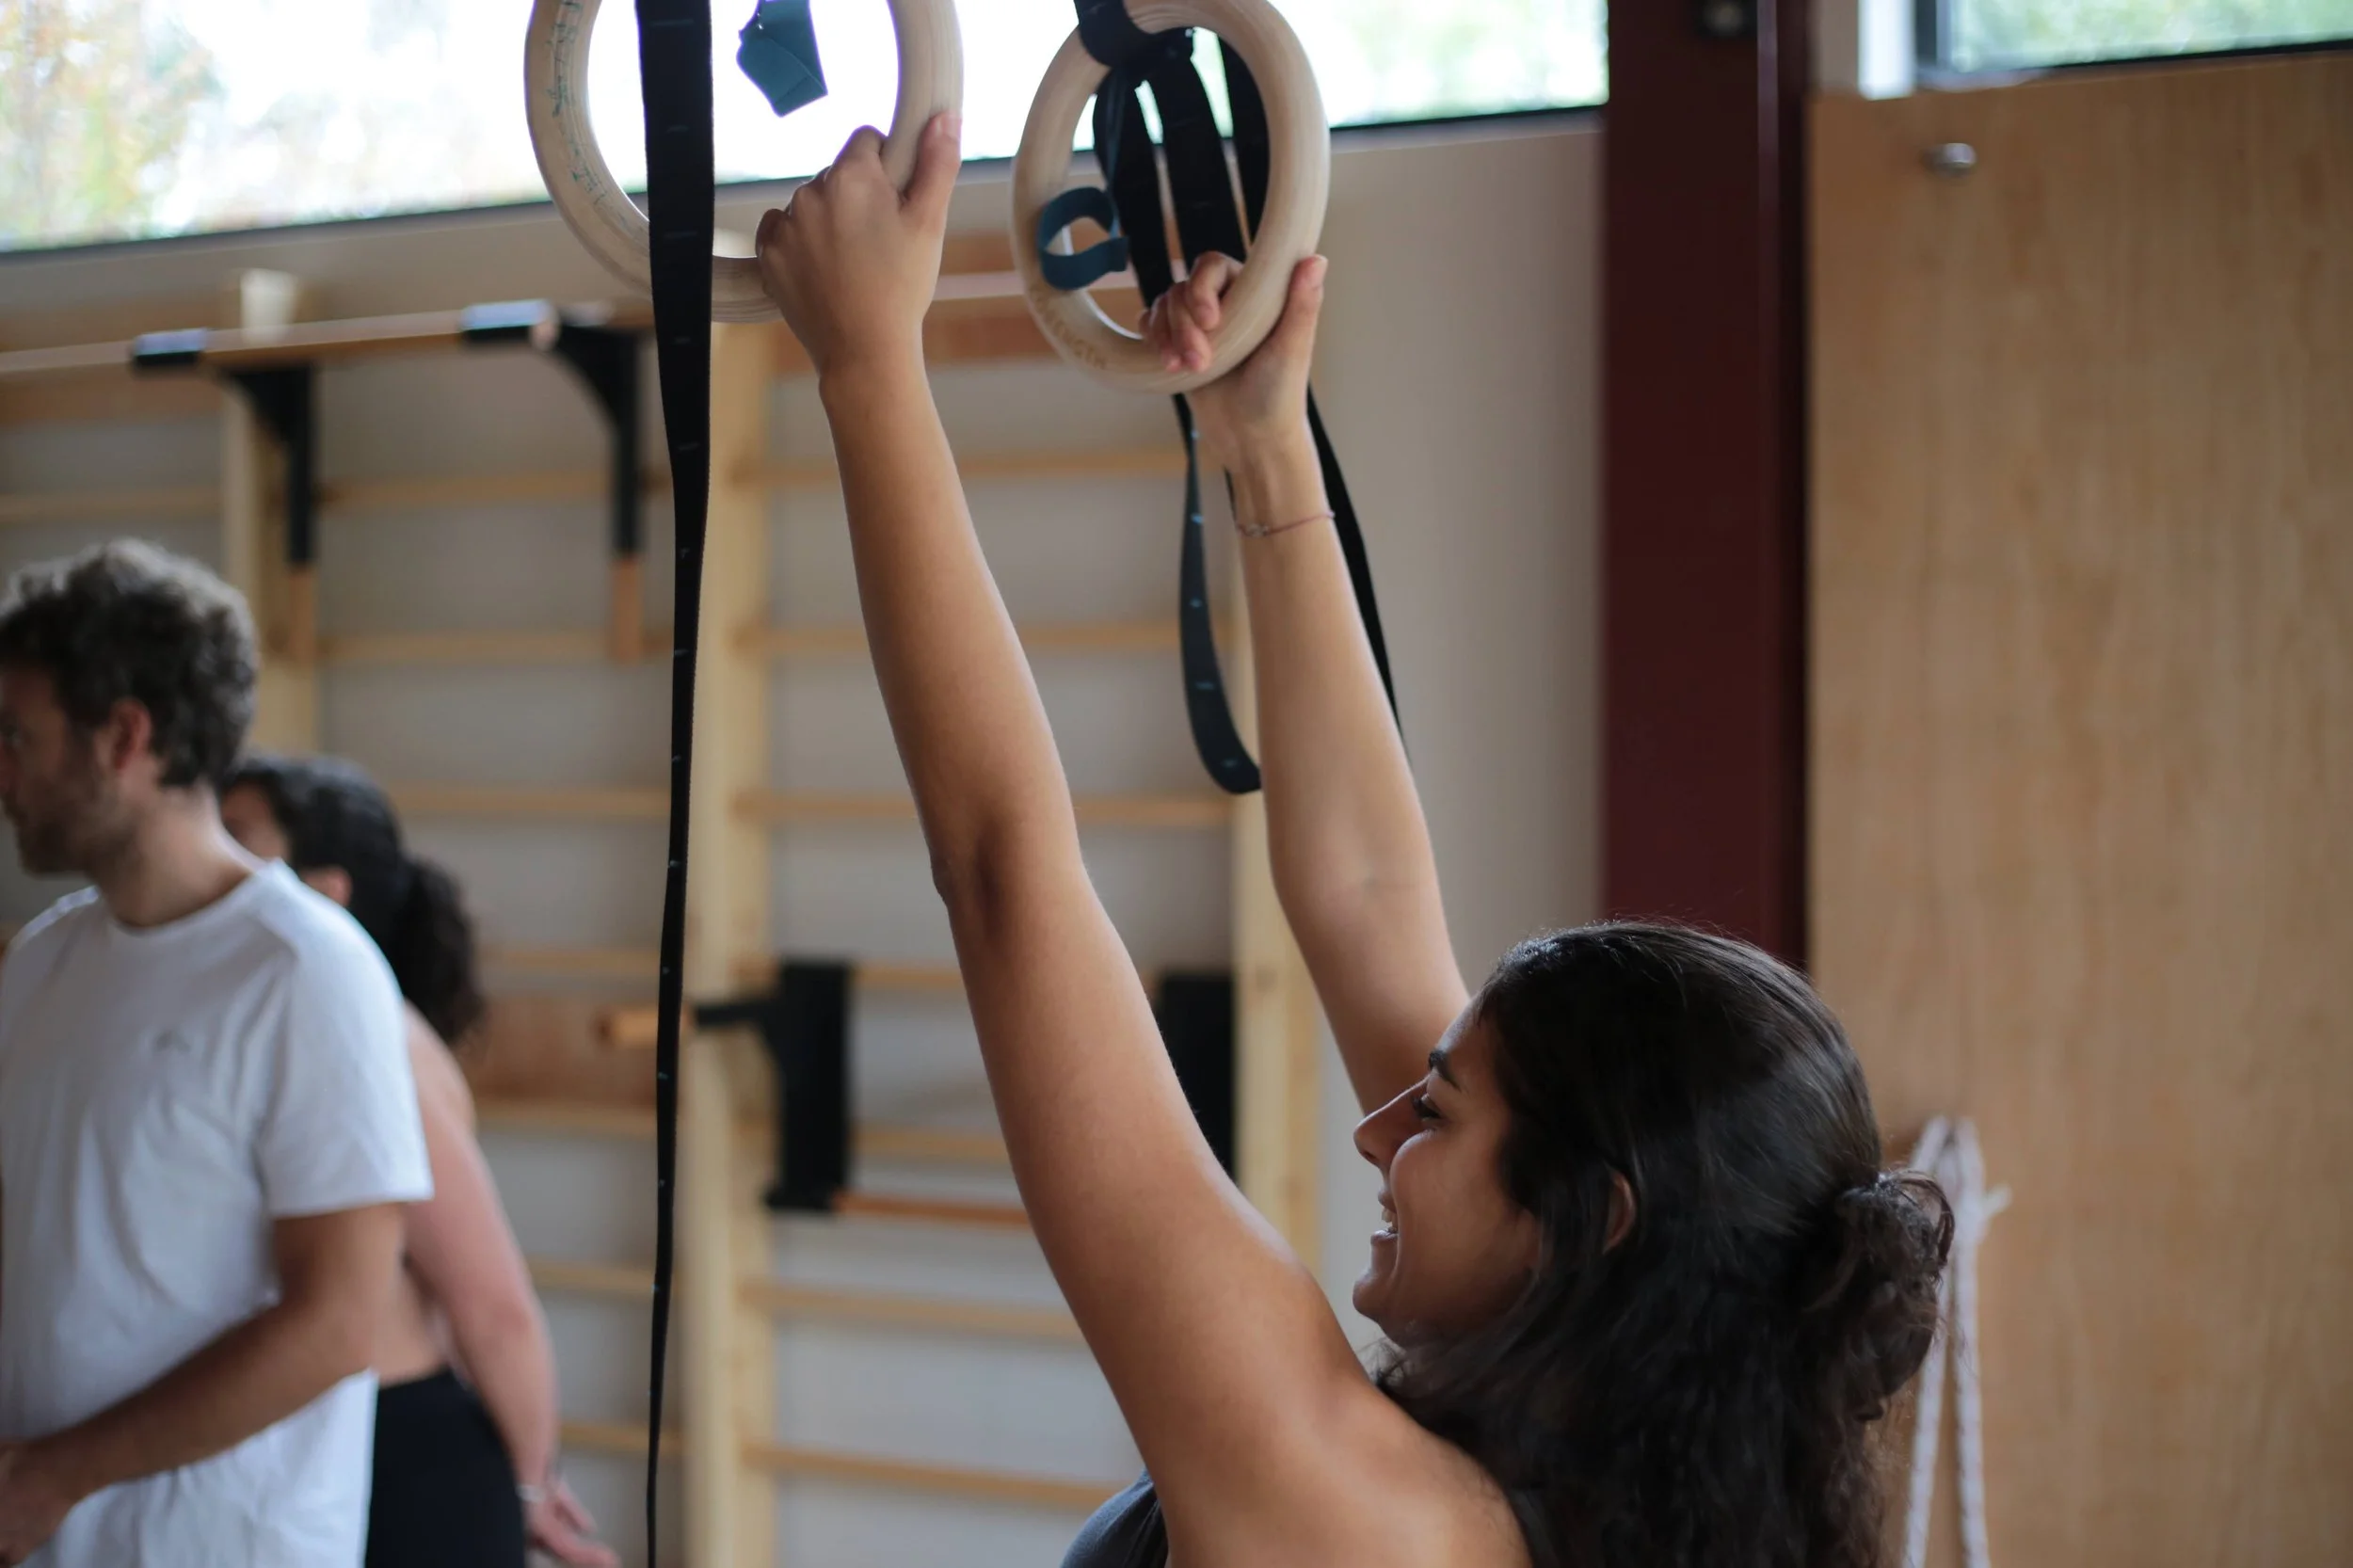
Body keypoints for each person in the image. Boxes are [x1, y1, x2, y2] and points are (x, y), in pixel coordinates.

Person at [754, 115, 1953, 1568]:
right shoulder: (1611, 1445)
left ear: (1595, 1219)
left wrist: (869, 362)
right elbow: (1369, 897)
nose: (1380, 1121)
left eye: (1438, 1114)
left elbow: (1006, 871)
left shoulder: (1372, 1524)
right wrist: (1263, 444)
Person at [0, 541, 428, 1568]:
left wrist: (57, 1474)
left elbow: (337, 1321)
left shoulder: (306, 973)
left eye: (17, 734)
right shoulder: (45, 957)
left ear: (123, 737)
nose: (0, 769)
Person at [220, 755, 616, 1568]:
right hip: (304, 1445)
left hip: (405, 1460)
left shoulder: (380, 1038)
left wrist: (532, 1490)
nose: (208, 856)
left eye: (235, 838)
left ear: (325, 891)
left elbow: (493, 1305)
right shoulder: (269, 1025)